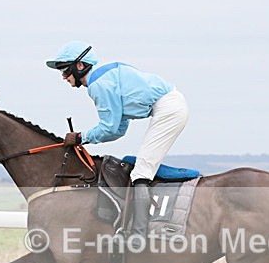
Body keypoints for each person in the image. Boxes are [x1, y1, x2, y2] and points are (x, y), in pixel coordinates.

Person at [46, 41, 189, 249]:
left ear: (80, 66)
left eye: (65, 70)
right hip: (169, 106)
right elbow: (119, 129)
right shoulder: (105, 77)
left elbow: (110, 128)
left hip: (168, 108)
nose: (63, 77)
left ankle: (138, 237)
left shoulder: (97, 85)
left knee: (141, 171)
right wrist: (83, 137)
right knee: (140, 168)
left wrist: (80, 137)